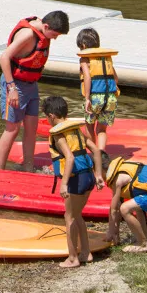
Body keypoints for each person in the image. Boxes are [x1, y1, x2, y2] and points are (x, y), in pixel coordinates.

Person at [0, 11, 70, 173]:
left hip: (31, 85)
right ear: (46, 26)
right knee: (12, 129)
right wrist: (12, 88)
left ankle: (28, 167)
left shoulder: (43, 29)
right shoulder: (28, 35)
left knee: (31, 128)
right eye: (54, 35)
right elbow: (4, 58)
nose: (54, 39)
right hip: (15, 85)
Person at [43, 96, 104, 269]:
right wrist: (98, 174)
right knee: (77, 215)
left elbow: (69, 158)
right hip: (88, 177)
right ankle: (85, 253)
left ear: (51, 116)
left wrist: (63, 184)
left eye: (46, 117)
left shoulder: (58, 134)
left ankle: (72, 258)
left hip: (76, 179)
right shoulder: (76, 130)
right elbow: (96, 150)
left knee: (69, 217)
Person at [104, 153, 147, 253]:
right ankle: (144, 236)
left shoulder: (117, 180)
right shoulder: (120, 169)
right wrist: (116, 234)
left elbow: (114, 209)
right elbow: (116, 206)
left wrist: (111, 231)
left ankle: (142, 243)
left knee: (125, 208)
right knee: (136, 205)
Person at [76, 28, 119, 152]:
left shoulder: (85, 59)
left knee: (89, 126)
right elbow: (115, 79)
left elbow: (87, 78)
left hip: (95, 98)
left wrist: (87, 98)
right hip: (110, 98)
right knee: (101, 130)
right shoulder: (106, 58)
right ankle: (101, 153)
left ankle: (94, 154)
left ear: (83, 45)